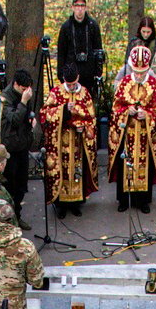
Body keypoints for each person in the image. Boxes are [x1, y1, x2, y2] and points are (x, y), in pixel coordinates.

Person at [112, 46, 156, 215]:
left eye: (142, 73)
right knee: (125, 164)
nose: (138, 76)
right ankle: (123, 199)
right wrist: (126, 111)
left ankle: (143, 200)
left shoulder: (154, 83)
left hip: (145, 135)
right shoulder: (125, 82)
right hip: (127, 133)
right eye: (136, 72)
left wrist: (148, 115)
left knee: (145, 166)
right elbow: (116, 107)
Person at [42, 77, 98, 216]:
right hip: (61, 143)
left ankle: (76, 203)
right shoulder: (56, 93)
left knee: (77, 170)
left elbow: (91, 118)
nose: (72, 87)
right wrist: (63, 109)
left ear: (78, 79)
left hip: (78, 142)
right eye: (69, 84)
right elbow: (45, 114)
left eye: (74, 84)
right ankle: (61, 205)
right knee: (63, 170)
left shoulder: (85, 93)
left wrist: (83, 127)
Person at [0, 72, 38, 208]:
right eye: (23, 89)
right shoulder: (6, 97)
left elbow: (26, 114)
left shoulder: (26, 93)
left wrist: (31, 119)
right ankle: (10, 215)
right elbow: (14, 120)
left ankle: (18, 213)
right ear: (16, 84)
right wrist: (23, 102)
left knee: (22, 183)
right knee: (11, 184)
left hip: (23, 143)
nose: (26, 92)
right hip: (11, 145)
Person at [58, 0, 106, 86]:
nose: (79, 9)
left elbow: (98, 50)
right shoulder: (66, 27)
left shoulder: (93, 26)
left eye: (82, 6)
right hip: (71, 76)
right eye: (77, 5)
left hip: (89, 75)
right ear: (72, 7)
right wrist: (61, 76)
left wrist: (98, 74)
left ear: (86, 8)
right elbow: (61, 54)